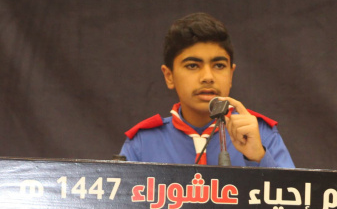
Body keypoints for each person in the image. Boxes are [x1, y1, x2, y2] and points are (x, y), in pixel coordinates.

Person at [120, 13, 294, 168]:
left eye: (219, 65)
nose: (208, 77)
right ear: (169, 76)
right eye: (193, 66)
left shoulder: (260, 134)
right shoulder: (143, 142)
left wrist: (258, 157)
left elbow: (294, 193)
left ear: (231, 74)